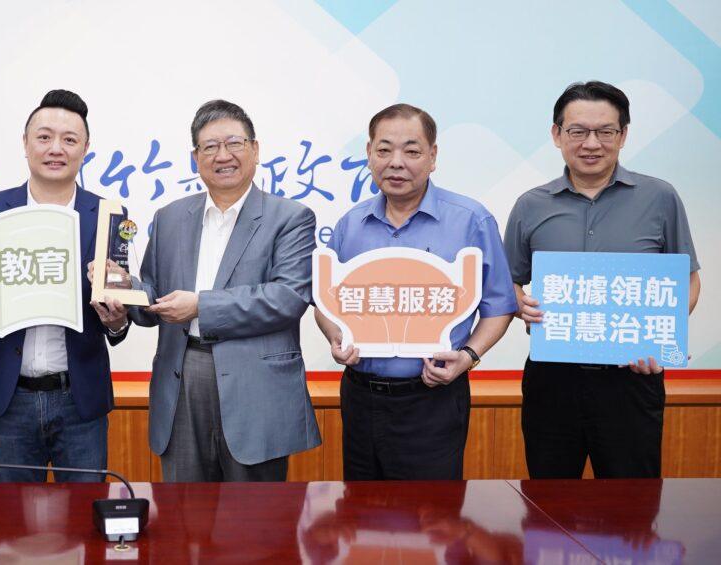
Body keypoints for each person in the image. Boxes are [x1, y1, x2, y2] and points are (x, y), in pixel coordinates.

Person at [504, 81, 701, 478]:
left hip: (632, 377)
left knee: (633, 501)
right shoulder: (530, 205)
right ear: (557, 134)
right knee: (549, 499)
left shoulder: (660, 197)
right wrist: (520, 305)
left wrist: (660, 333)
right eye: (578, 131)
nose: (591, 143)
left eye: (605, 131)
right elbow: (509, 283)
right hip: (552, 377)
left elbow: (689, 281)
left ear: (623, 135)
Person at [314, 103, 516, 480]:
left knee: (432, 511)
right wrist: (335, 337)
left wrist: (468, 356)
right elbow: (325, 303)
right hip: (361, 397)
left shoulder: (471, 220)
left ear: (432, 156)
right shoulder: (350, 225)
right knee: (361, 508)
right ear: (369, 154)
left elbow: (500, 306)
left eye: (411, 150)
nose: (396, 162)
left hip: (433, 398)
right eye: (384, 149)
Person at [125, 99, 320, 482]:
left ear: (255, 150)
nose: (223, 155)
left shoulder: (291, 218)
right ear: (195, 158)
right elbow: (153, 294)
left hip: (255, 387)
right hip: (182, 378)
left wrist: (200, 306)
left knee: (254, 513)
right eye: (210, 146)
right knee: (184, 511)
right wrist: (122, 291)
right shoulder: (170, 218)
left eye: (234, 143)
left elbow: (287, 298)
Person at [0, 90, 129, 482]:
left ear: (85, 149)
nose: (55, 148)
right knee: (12, 517)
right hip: (10, 400)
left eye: (69, 139)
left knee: (85, 512)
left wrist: (117, 320)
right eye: (44, 137)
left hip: (80, 401)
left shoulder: (109, 214)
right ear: (25, 143)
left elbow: (117, 313)